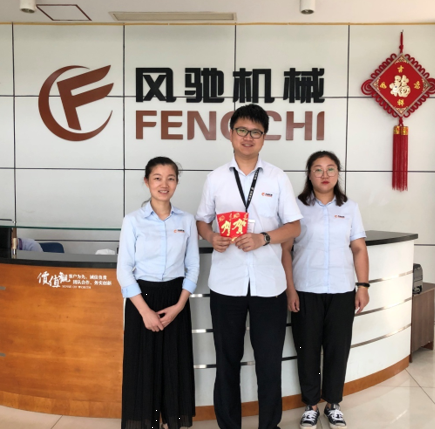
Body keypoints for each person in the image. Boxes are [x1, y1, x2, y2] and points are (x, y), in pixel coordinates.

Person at [196, 103, 303, 429]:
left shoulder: (277, 177)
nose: (248, 137)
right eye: (242, 130)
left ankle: (269, 425)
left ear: (263, 138)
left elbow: (294, 226)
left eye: (256, 132)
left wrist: (264, 238)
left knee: (269, 363)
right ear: (231, 134)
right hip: (226, 283)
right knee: (226, 362)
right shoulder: (216, 178)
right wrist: (211, 236)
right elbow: (202, 220)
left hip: (269, 285)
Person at [281, 151, 370, 429]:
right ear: (309, 174)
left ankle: (333, 404)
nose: (324, 174)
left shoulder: (350, 207)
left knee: (337, 349)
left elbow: (359, 248)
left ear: (338, 174)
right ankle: (310, 405)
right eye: (318, 169)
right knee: (306, 349)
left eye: (330, 169)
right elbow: (285, 250)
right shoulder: (295, 207)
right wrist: (290, 289)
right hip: (306, 290)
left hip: (342, 291)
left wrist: (363, 286)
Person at [117, 156, 199, 429]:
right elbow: (124, 270)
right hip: (143, 300)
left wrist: (179, 306)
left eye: (170, 178)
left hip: (176, 300)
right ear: (146, 181)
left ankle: (170, 423)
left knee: (174, 366)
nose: (164, 184)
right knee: (144, 368)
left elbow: (193, 267)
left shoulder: (187, 220)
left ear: (176, 182)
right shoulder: (133, 221)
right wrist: (145, 312)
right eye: (157, 178)